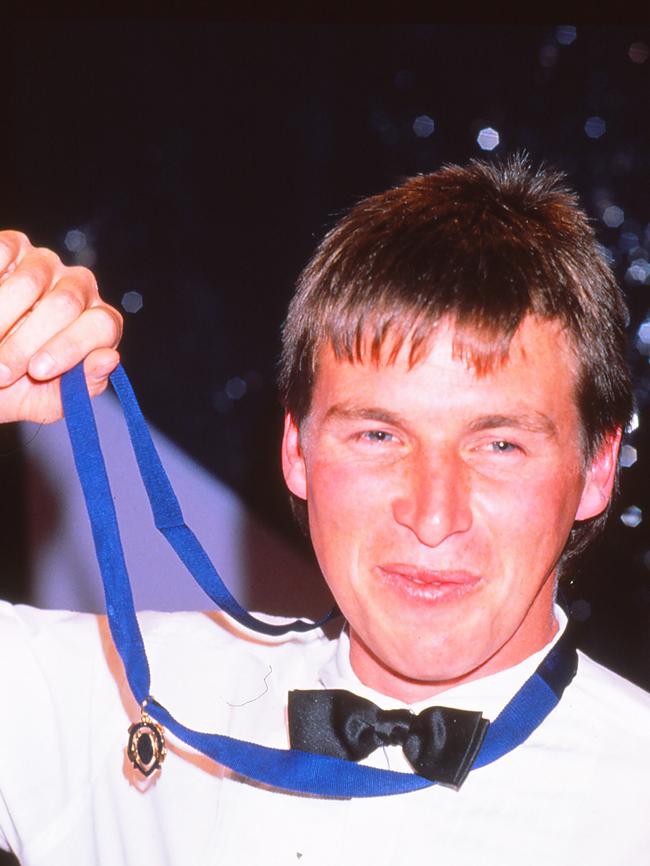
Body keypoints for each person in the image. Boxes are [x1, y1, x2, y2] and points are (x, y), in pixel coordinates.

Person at [0, 156, 648, 865]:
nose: (433, 517)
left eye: (499, 445)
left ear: (596, 469)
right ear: (297, 453)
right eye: (377, 435)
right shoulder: (109, 703)